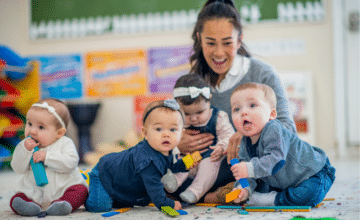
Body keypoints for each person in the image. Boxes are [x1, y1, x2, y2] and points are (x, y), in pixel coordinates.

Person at [174, 0, 297, 202]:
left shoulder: (262, 74)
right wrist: (179, 139)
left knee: (260, 176)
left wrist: (247, 134)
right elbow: (172, 122)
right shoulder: (195, 82)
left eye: (227, 43)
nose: (219, 53)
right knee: (165, 171)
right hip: (205, 164)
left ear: (239, 40)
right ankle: (209, 193)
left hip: (250, 165)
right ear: (199, 39)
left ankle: (220, 194)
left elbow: (288, 132)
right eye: (211, 43)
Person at [229, 83, 335, 206]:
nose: (243, 112)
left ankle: (270, 200)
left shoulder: (274, 128)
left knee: (308, 195)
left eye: (252, 105)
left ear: (272, 114)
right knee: (257, 186)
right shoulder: (244, 142)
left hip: (313, 173)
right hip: (284, 182)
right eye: (237, 109)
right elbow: (248, 174)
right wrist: (244, 189)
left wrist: (248, 168)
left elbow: (276, 159)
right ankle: (261, 196)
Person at [85, 99, 197, 212]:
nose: (166, 134)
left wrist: (186, 163)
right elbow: (156, 192)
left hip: (120, 181)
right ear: (145, 133)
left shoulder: (167, 150)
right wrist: (169, 204)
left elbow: (171, 166)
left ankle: (110, 195)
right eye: (159, 129)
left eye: (173, 129)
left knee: (120, 203)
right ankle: (84, 194)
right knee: (100, 206)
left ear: (181, 134)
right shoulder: (147, 161)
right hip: (104, 173)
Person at [162, 74, 234, 203]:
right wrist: (176, 143)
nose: (194, 118)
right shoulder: (175, 119)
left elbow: (228, 135)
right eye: (187, 114)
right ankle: (173, 183)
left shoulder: (218, 117)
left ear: (209, 101)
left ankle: (195, 192)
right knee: (183, 162)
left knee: (208, 166)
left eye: (200, 112)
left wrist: (222, 146)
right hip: (190, 157)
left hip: (210, 156)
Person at [10, 98, 88, 216]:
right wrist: (25, 151)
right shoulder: (25, 146)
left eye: (41, 127)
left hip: (64, 188)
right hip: (34, 191)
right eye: (30, 124)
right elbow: (17, 168)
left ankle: (63, 204)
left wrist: (48, 157)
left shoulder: (65, 143)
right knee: (18, 197)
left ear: (59, 133)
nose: (32, 131)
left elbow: (71, 162)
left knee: (81, 191)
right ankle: (28, 205)